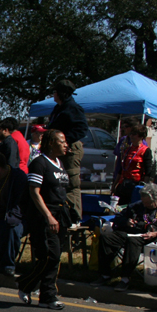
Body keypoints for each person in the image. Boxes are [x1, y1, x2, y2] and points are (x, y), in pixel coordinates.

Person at [93, 183, 157, 292]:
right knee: (107, 237)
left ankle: (125, 278)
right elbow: (119, 217)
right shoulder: (138, 205)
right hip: (132, 232)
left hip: (154, 237)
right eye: (144, 202)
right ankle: (105, 274)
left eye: (148, 203)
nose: (145, 205)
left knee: (133, 241)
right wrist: (126, 222)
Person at [17, 129, 70, 310]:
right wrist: (48, 216)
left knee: (55, 258)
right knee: (49, 255)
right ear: (50, 143)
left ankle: (45, 295)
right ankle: (29, 285)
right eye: (61, 141)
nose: (65, 145)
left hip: (60, 215)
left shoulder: (60, 163)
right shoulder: (39, 163)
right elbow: (34, 191)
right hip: (44, 217)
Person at [47, 79, 88, 224]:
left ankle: (74, 216)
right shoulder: (59, 108)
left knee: (70, 182)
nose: (53, 94)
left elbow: (82, 129)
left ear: (62, 93)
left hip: (70, 150)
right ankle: (62, 213)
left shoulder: (72, 108)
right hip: (57, 148)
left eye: (55, 92)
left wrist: (65, 141)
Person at [112, 123, 152, 205]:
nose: (132, 136)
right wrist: (115, 184)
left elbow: (148, 170)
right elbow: (121, 168)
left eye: (134, 134)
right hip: (123, 183)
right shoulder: (128, 149)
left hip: (136, 184)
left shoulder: (145, 151)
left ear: (141, 136)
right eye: (131, 134)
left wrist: (146, 187)